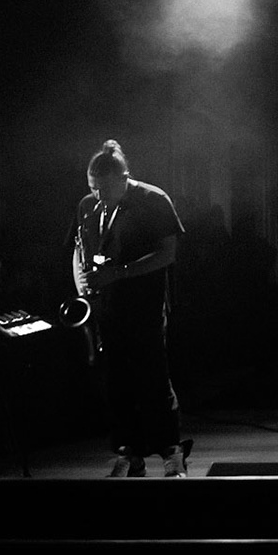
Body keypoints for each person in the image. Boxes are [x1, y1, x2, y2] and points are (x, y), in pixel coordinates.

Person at [72, 139, 188, 477]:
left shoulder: (154, 200)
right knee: (115, 384)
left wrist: (117, 274)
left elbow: (168, 254)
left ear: (124, 178)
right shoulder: (87, 206)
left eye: (105, 189)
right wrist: (82, 282)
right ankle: (128, 451)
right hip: (106, 310)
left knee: (153, 380)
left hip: (145, 308)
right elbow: (79, 248)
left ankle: (170, 450)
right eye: (93, 189)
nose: (98, 197)